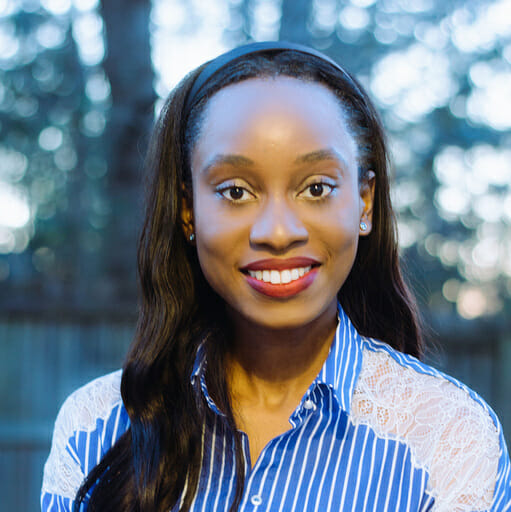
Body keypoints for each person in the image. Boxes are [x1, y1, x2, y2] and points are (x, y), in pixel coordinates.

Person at [41, 41, 511, 512]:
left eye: (317, 188)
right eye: (236, 191)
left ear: (364, 202)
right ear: (189, 211)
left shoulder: (450, 440)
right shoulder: (94, 429)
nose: (279, 232)